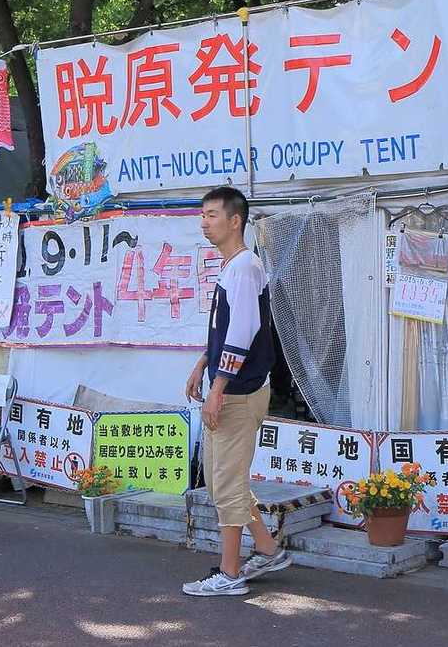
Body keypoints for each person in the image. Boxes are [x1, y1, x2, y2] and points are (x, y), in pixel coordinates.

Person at [181, 186, 290, 598]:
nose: (204, 221)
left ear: (235, 220)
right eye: (203, 214)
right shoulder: (234, 267)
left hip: (239, 393)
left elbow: (243, 333)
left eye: (211, 214)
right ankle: (266, 548)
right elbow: (226, 331)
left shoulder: (243, 267)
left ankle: (230, 574)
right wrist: (201, 366)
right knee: (224, 478)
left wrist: (218, 389)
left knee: (225, 482)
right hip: (235, 389)